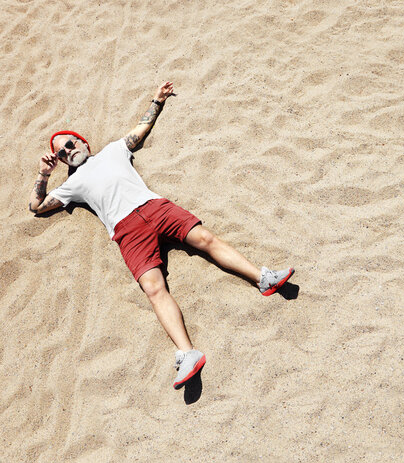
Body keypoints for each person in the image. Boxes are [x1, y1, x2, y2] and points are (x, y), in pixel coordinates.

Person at [28, 82, 294, 389]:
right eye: (62, 152)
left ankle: (264, 278)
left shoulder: (115, 149)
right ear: (61, 160)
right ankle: (187, 352)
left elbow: (141, 129)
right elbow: (37, 206)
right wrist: (43, 175)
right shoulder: (70, 185)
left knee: (206, 240)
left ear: (83, 142)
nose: (68, 150)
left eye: (71, 143)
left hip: (154, 207)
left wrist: (157, 100)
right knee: (154, 289)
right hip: (127, 231)